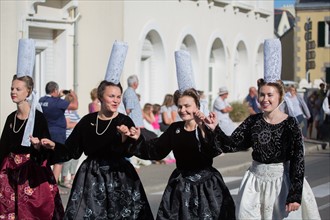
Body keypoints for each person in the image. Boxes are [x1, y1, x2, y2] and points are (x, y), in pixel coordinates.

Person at [32, 41, 154, 219]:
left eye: (118, 97)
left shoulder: (124, 120)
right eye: (111, 96)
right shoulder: (88, 121)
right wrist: (52, 146)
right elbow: (71, 150)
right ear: (100, 97)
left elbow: (133, 150)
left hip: (119, 176)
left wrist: (130, 138)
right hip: (91, 177)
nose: (116, 100)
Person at [119, 50, 236, 219]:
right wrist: (137, 139)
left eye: (187, 105)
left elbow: (218, 149)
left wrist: (207, 129)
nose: (183, 110)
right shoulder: (175, 129)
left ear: (197, 105)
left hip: (208, 186)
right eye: (179, 106)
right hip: (181, 186)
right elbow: (156, 150)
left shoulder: (205, 126)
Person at [213, 39, 320, 219]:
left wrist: (294, 194)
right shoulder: (253, 121)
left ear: (279, 97)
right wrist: (214, 128)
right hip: (254, 184)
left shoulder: (290, 124)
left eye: (270, 95)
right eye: (262, 94)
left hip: (281, 184)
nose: (265, 99)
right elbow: (232, 145)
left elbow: (297, 160)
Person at [0, 39, 64, 219]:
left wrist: (38, 146)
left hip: (32, 172)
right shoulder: (11, 118)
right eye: (12, 88)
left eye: (18, 89)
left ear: (28, 92)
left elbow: (47, 150)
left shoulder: (38, 117)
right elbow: (3, 147)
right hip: (11, 172)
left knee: (33, 213)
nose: (13, 92)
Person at [39, 81, 78, 187]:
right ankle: (54, 185)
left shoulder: (42, 100)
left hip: (45, 132)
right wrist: (72, 94)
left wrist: (58, 96)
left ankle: (44, 183)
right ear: (55, 90)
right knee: (59, 159)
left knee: (46, 158)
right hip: (58, 133)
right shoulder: (57, 102)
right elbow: (74, 106)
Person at [122, 74, 155, 168]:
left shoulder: (130, 92)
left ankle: (137, 158)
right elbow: (128, 109)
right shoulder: (130, 93)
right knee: (135, 141)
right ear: (135, 83)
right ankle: (135, 158)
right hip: (134, 123)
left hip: (136, 122)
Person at [60, 93, 81, 189]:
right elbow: (68, 125)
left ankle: (72, 178)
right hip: (68, 138)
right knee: (67, 160)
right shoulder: (66, 112)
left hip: (76, 138)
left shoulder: (74, 113)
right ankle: (65, 179)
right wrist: (78, 124)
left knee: (75, 159)